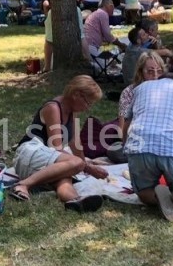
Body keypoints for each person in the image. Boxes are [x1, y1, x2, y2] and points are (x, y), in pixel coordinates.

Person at [122, 65, 173, 223]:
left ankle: (157, 198)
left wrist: (126, 148)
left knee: (143, 191)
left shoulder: (141, 88)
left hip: (139, 148)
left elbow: (127, 122)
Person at [12, 76, 109, 212]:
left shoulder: (72, 112)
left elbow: (76, 143)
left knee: (65, 177)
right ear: (76, 95)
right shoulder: (53, 108)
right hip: (28, 153)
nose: (88, 108)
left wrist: (85, 163)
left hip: (44, 160)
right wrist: (86, 167)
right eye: (88, 102)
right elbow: (56, 148)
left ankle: (75, 201)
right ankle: (23, 185)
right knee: (77, 164)